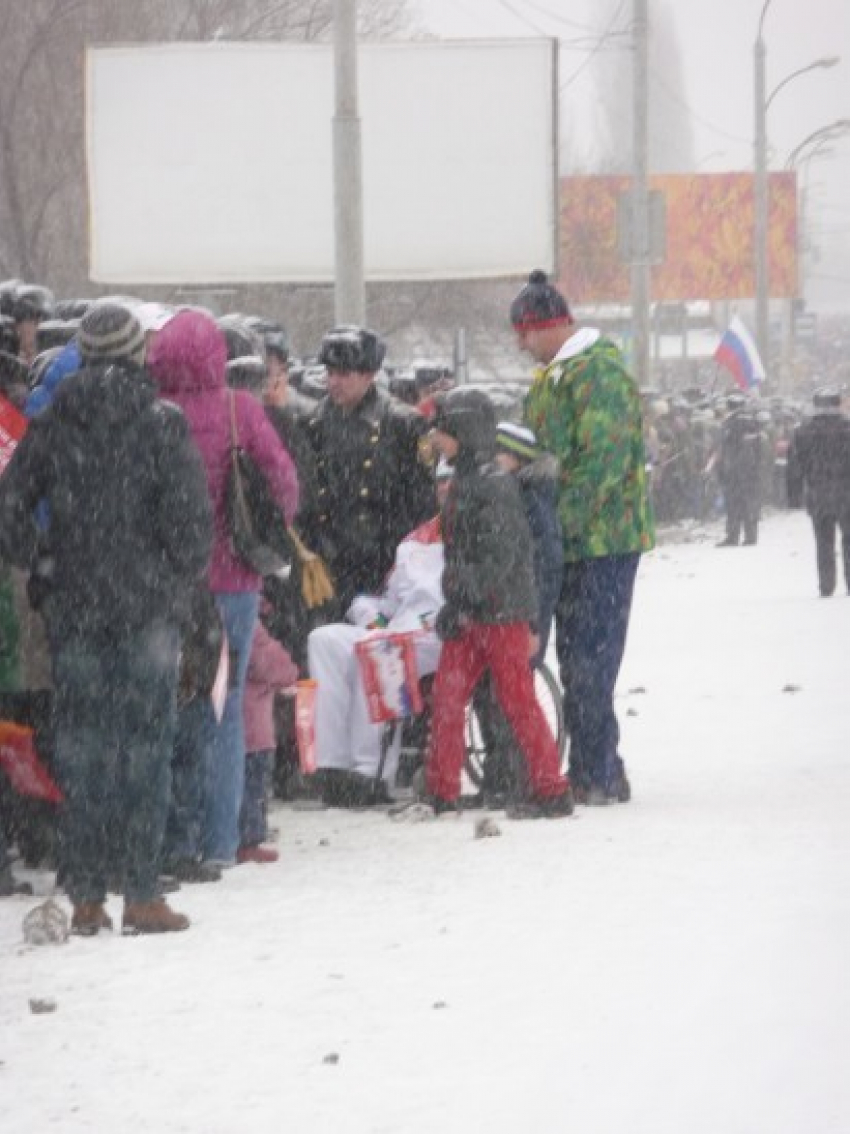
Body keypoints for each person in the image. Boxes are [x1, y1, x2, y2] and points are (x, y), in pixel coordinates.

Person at [0, 301, 213, 934]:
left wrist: (44, 568)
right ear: (135, 353)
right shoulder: (161, 423)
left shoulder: (52, 423)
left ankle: (87, 894)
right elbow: (194, 525)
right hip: (148, 612)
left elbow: (9, 513)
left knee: (83, 747)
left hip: (74, 611)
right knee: (147, 748)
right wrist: (171, 579)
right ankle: (142, 891)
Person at [147, 308, 299, 870]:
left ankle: (172, 837)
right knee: (226, 706)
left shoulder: (152, 414)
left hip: (168, 585)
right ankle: (220, 839)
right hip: (234, 581)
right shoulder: (241, 410)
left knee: (169, 702)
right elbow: (283, 483)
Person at [512, 269, 654, 806]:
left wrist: (554, 519)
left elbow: (604, 463)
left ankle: (599, 769)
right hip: (573, 543)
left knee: (590, 661)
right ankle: (597, 765)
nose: (520, 345)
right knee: (577, 659)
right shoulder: (556, 377)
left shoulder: (596, 376)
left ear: (547, 326)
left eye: (523, 333)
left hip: (604, 543)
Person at [418, 387, 573, 819]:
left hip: (493, 613)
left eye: (443, 431)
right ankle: (541, 786)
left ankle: (541, 787)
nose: (436, 439)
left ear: (463, 433)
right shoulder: (482, 481)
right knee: (494, 701)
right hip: (491, 609)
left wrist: (462, 601)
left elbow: (496, 556)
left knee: (476, 700)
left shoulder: (485, 485)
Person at [307, 462, 452, 808]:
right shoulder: (415, 540)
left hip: (441, 633)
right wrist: (368, 612)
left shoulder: (479, 532)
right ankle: (331, 763)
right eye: (441, 481)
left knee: (378, 649)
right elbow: (391, 600)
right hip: (401, 627)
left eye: (453, 481)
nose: (445, 488)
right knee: (324, 639)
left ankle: (371, 770)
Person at [304, 325, 436, 617]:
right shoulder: (314, 422)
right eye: (331, 373)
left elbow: (423, 500)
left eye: (344, 374)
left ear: (369, 374)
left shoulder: (402, 424)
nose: (334, 382)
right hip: (329, 558)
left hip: (383, 557)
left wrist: (409, 558)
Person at [239, 616, 298, 862]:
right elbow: (271, 663)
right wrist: (291, 671)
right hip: (252, 725)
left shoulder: (214, 613)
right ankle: (248, 839)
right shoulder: (247, 622)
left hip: (229, 721)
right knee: (253, 786)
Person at [786, 388, 850, 596]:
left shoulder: (803, 431)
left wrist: (793, 495)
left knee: (823, 541)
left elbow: (795, 465)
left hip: (818, 492)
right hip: (846, 492)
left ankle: (826, 585)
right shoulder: (847, 429)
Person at [711, 393, 764, 546]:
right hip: (751, 471)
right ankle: (751, 535)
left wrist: (722, 469)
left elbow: (723, 447)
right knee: (749, 503)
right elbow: (759, 447)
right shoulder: (754, 422)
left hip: (733, 471)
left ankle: (733, 536)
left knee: (733, 505)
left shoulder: (729, 423)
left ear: (730, 406)